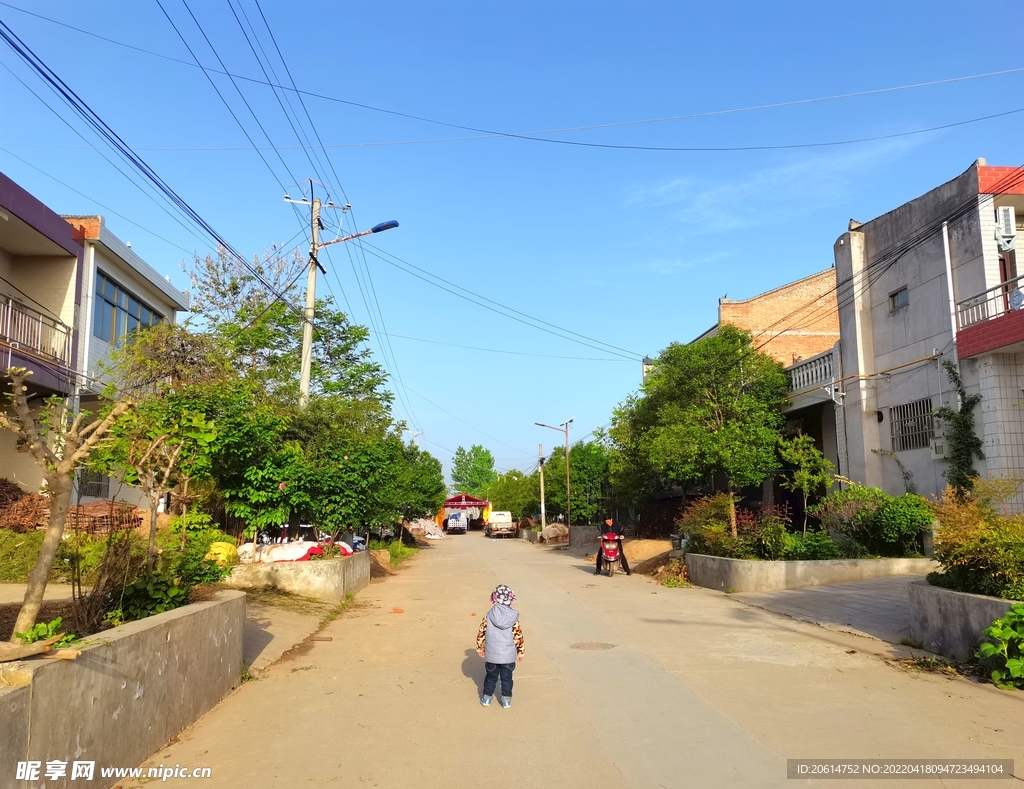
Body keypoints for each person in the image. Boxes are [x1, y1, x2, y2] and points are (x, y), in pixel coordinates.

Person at [476, 584, 525, 708]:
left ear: (494, 598)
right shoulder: (513, 618)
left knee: (491, 677)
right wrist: (521, 651)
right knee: (507, 678)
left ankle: (487, 698)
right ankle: (506, 700)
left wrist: (480, 648)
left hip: (492, 654)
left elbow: (481, 632)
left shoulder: (488, 615)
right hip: (508, 656)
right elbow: (518, 635)